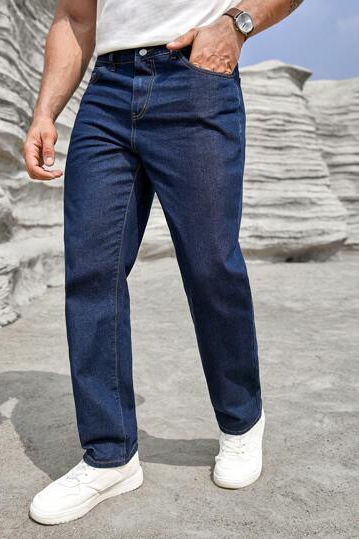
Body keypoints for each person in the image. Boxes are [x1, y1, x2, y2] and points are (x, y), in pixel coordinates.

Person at [23, 0, 304, 525]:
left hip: (195, 80)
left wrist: (236, 26)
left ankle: (241, 423)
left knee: (210, 266)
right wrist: (44, 112)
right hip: (106, 93)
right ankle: (110, 456)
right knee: (92, 272)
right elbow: (75, 18)